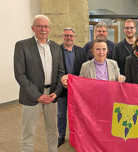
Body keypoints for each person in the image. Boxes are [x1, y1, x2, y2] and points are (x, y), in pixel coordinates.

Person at [14, 15, 64, 152]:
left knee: (53, 130)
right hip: (31, 96)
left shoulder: (55, 47)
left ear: (50, 29)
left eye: (46, 26)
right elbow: (20, 75)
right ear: (33, 28)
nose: (43, 29)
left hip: (52, 95)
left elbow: (61, 72)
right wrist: (37, 95)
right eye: (39, 26)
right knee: (28, 132)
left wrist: (56, 92)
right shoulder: (22, 46)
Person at [57, 28, 86, 147]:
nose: (69, 37)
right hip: (62, 89)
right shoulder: (57, 50)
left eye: (71, 36)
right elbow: (54, 69)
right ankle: (61, 136)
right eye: (66, 35)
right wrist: (61, 79)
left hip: (77, 90)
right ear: (63, 37)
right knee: (61, 114)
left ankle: (78, 136)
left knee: (77, 115)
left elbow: (84, 68)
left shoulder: (80, 51)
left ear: (74, 37)